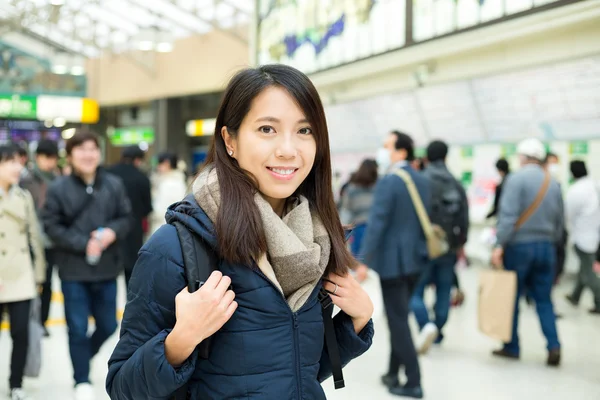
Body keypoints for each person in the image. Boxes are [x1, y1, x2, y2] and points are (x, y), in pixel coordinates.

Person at [106, 65, 374, 400]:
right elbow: (122, 387)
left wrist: (357, 321)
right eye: (267, 129)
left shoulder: (314, 242)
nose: (289, 149)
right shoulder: (176, 248)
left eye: (305, 130)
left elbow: (294, 372)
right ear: (230, 140)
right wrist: (179, 340)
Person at [42, 131, 131, 400]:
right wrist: (83, 243)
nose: (88, 154)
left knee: (108, 325)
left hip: (106, 268)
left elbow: (126, 217)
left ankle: (83, 357)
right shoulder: (58, 188)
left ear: (99, 153)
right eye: (80, 150)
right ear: (69, 156)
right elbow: (50, 225)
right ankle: (81, 378)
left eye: (92, 149)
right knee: (76, 327)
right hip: (73, 270)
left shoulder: (113, 184)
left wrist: (112, 232)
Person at [360, 130, 428, 399]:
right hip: (415, 260)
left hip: (393, 262)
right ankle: (392, 372)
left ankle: (413, 381)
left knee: (398, 320)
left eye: (387, 146)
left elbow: (378, 223)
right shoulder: (421, 179)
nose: (383, 150)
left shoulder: (389, 181)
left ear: (401, 152)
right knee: (400, 315)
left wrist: (363, 259)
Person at [491, 138, 563, 366]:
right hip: (547, 247)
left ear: (522, 157)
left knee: (512, 297)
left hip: (519, 247)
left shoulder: (516, 179)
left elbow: (508, 216)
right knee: (544, 299)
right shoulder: (553, 182)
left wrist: (499, 245)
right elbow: (560, 221)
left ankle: (511, 346)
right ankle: (554, 345)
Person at [410, 140, 469, 353]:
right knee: (444, 289)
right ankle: (437, 327)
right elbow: (463, 218)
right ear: (445, 157)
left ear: (426, 157)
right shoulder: (456, 183)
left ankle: (426, 325)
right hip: (449, 247)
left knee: (414, 291)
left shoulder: (419, 182)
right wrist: (460, 244)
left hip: (422, 247)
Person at [0, 144, 46, 400]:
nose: (17, 167)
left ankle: (15, 383)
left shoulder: (23, 197)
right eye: (10, 162)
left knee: (21, 333)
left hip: (20, 276)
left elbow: (34, 237)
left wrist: (39, 275)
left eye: (19, 162)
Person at [19, 139, 60, 336]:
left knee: (48, 283)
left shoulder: (58, 179)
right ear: (38, 158)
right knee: (30, 282)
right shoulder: (26, 180)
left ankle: (42, 321)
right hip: (31, 240)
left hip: (51, 241)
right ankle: (29, 320)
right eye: (46, 158)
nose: (49, 162)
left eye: (52, 158)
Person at [108, 145, 153, 288]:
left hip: (110, 229)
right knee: (132, 273)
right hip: (134, 230)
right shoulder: (142, 178)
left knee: (109, 274)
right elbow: (147, 208)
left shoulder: (109, 174)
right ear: (138, 160)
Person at [564, 160, 600, 314]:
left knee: (588, 272)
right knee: (584, 268)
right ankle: (575, 296)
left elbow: (567, 215)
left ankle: (599, 301)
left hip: (582, 238)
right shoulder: (595, 185)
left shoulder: (575, 191)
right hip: (595, 235)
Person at [339, 159, 378, 260]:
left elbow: (346, 212)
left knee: (359, 260)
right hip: (376, 227)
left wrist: (343, 232)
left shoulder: (351, 189)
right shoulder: (379, 187)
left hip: (359, 228)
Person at [149, 152, 188, 234]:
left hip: (164, 226)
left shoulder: (168, 183)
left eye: (160, 164)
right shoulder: (178, 180)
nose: (158, 167)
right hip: (173, 226)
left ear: (167, 163)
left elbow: (160, 210)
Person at [544, 152, 567, 282]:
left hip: (555, 234)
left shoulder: (556, 184)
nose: (554, 166)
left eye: (556, 163)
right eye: (552, 163)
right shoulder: (540, 184)